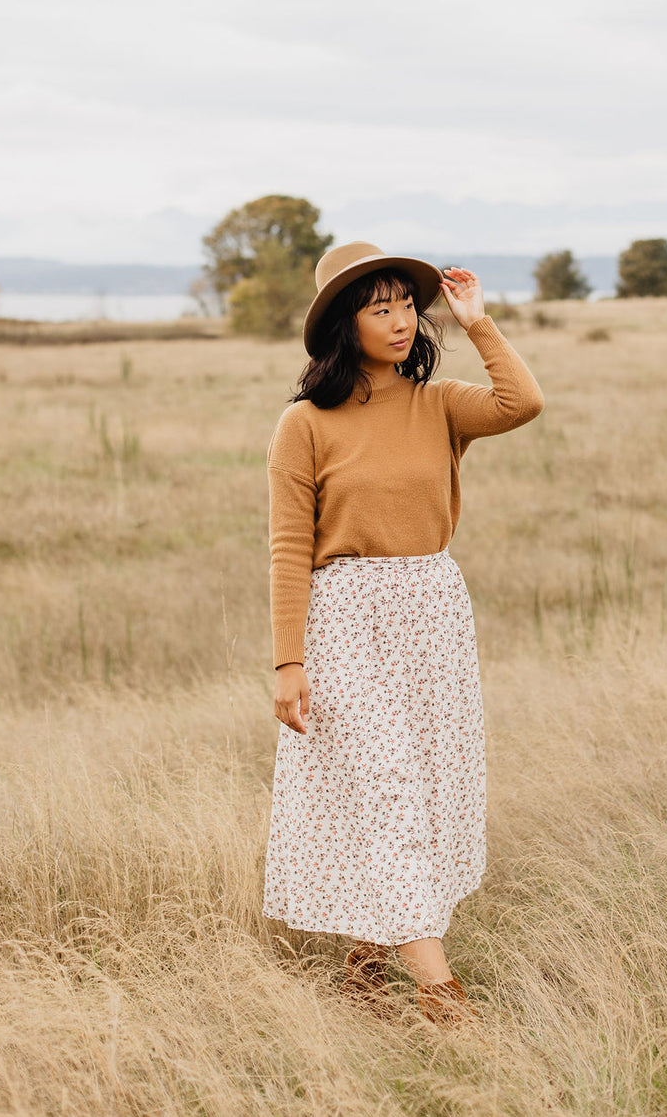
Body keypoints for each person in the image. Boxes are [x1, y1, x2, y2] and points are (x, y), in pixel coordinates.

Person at [262, 241, 544, 1024]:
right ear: (343, 326)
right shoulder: (304, 425)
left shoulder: (438, 402)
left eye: (403, 305)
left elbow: (521, 403)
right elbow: (289, 547)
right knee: (385, 792)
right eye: (377, 307)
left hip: (433, 614)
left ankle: (363, 964)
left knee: (424, 793)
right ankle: (441, 997)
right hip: (345, 617)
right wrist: (289, 661)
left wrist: (480, 324)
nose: (396, 320)